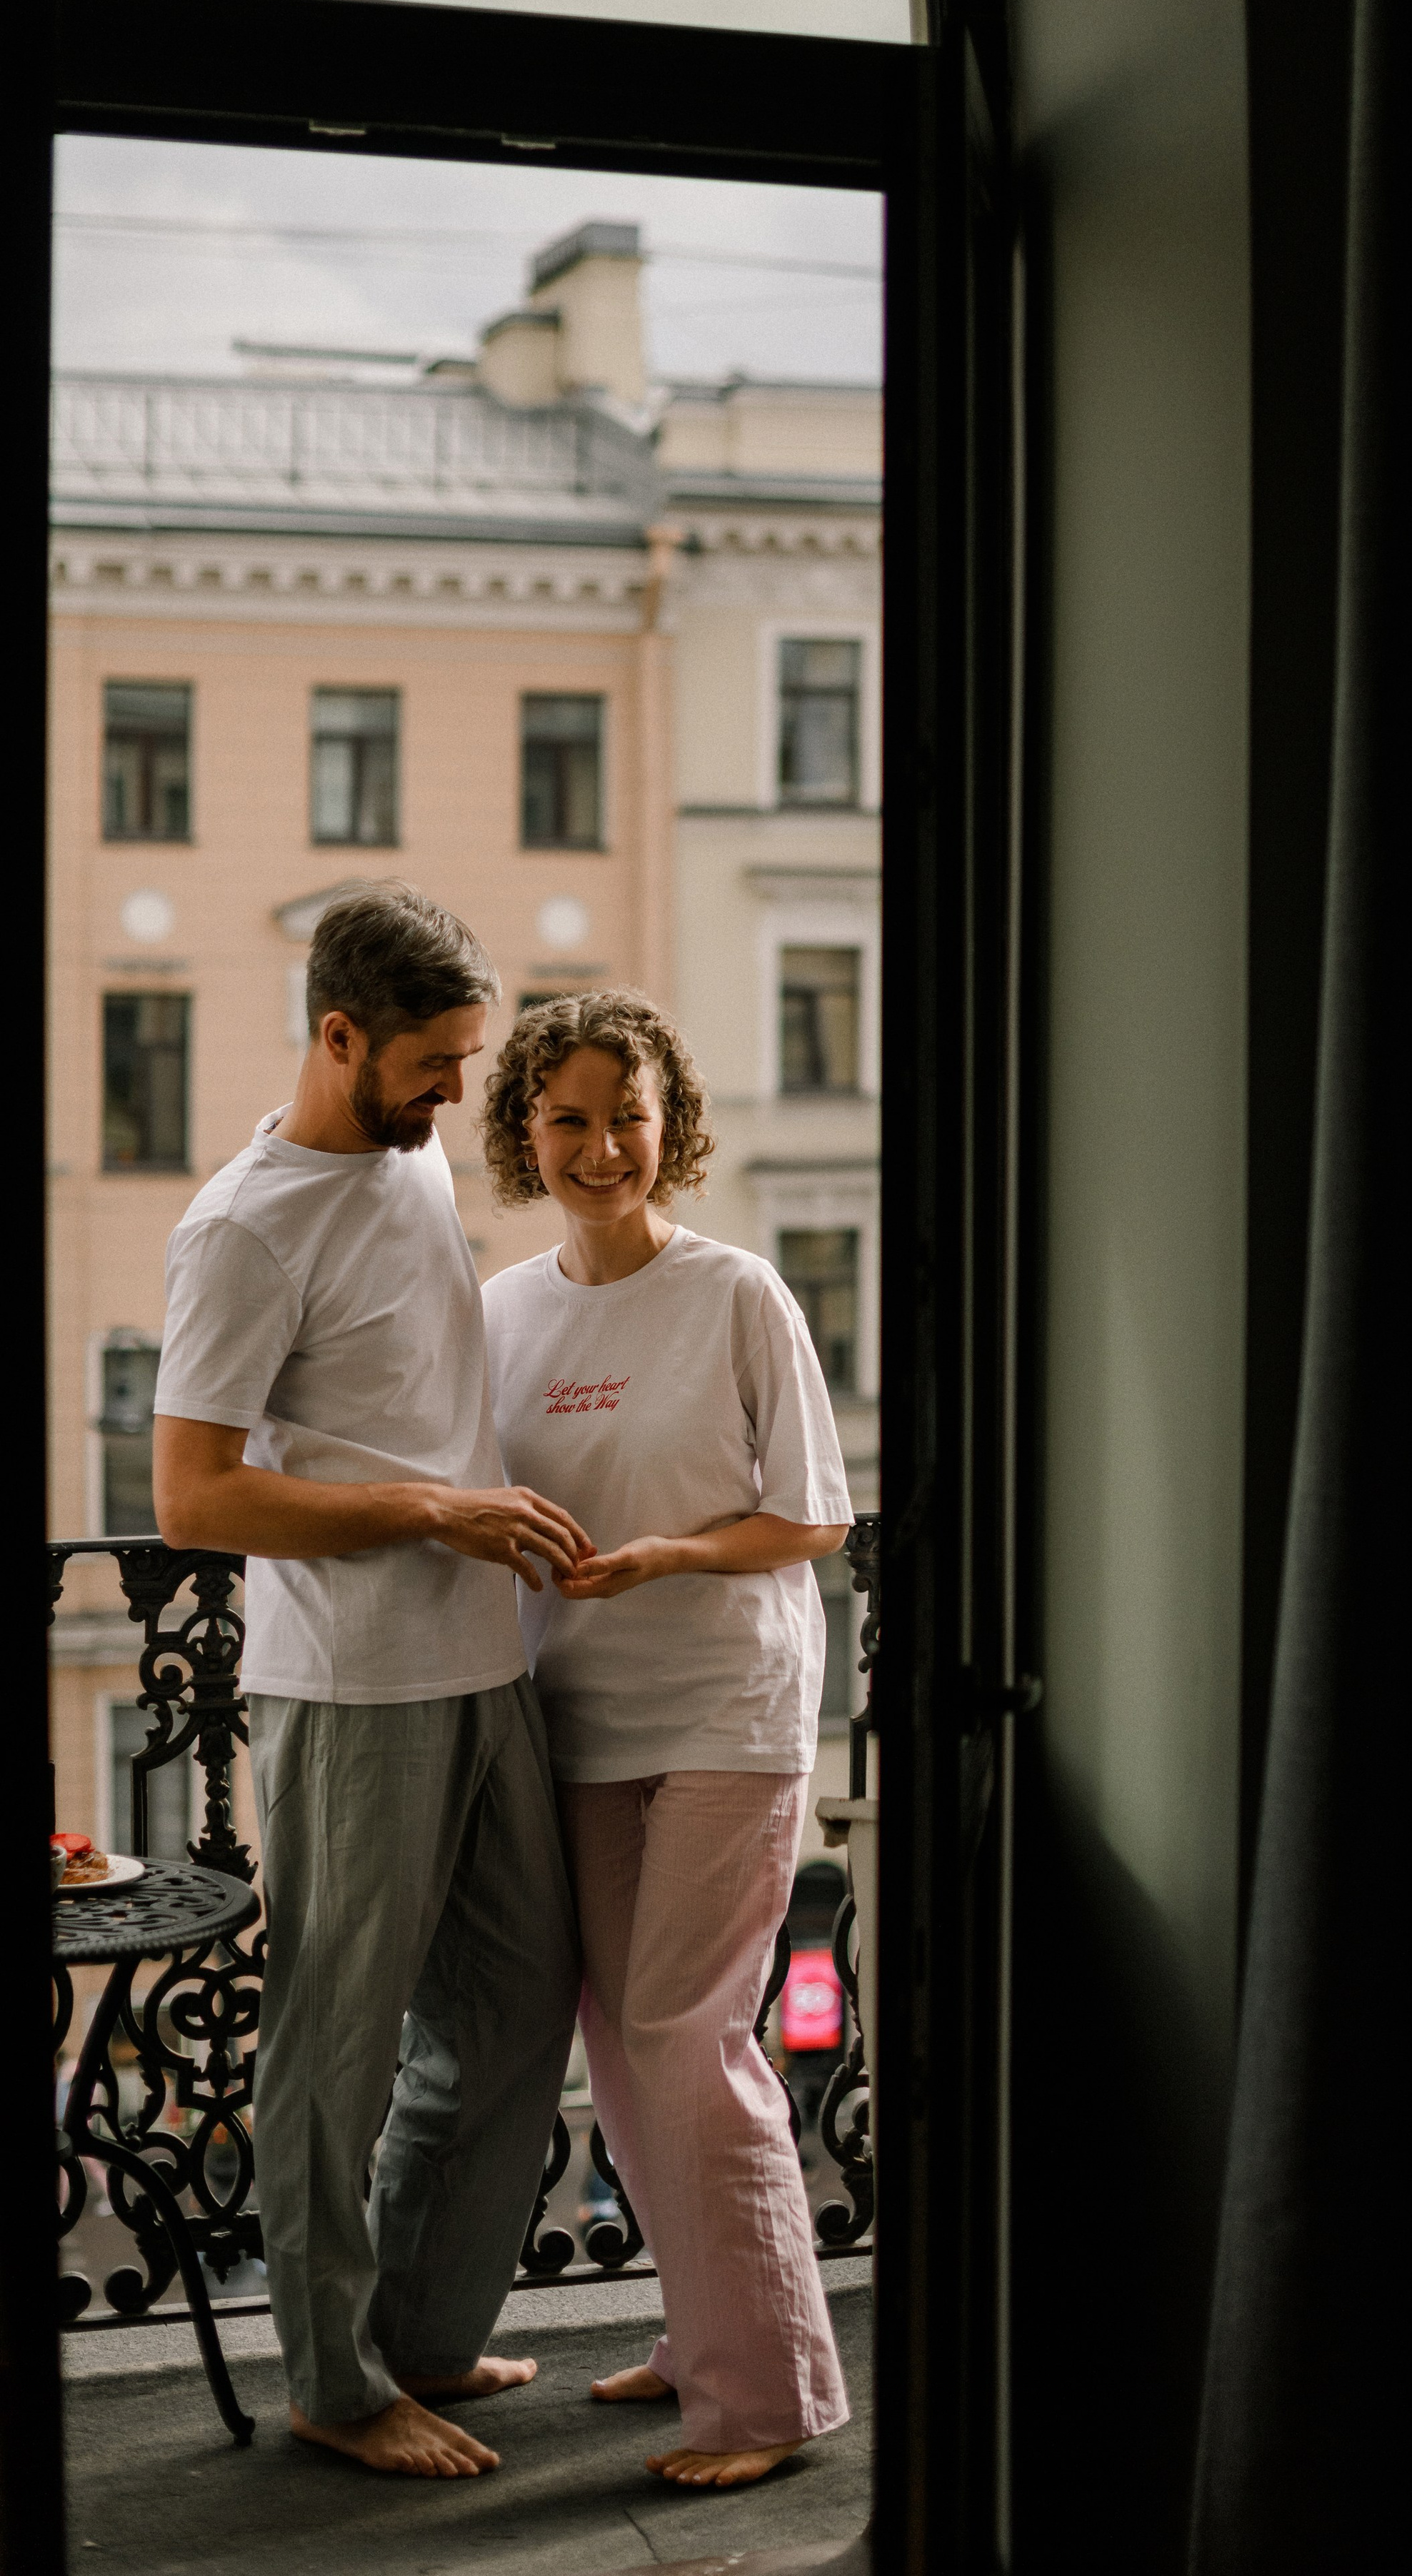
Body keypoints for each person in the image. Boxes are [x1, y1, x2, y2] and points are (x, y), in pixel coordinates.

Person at [152, 882, 589, 2480]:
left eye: (469, 1058)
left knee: (519, 2005)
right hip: (348, 1690)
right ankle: (334, 2387)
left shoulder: (404, 1163)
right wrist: (428, 1510)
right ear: (339, 1037)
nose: (459, 1093)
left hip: (485, 1658)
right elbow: (191, 1499)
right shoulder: (242, 1227)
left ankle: (417, 2335)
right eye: (433, 1063)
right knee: (332, 2052)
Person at [479, 987, 853, 2490]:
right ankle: (707, 2333)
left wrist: (669, 1557)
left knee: (690, 2036)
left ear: (668, 1124)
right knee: (623, 2043)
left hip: (726, 1707)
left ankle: (765, 2397)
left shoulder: (737, 1293)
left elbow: (815, 1516)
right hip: (574, 1714)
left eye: (624, 1116)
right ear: (525, 1131)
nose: (599, 1147)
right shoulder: (501, 1311)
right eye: (566, 1118)